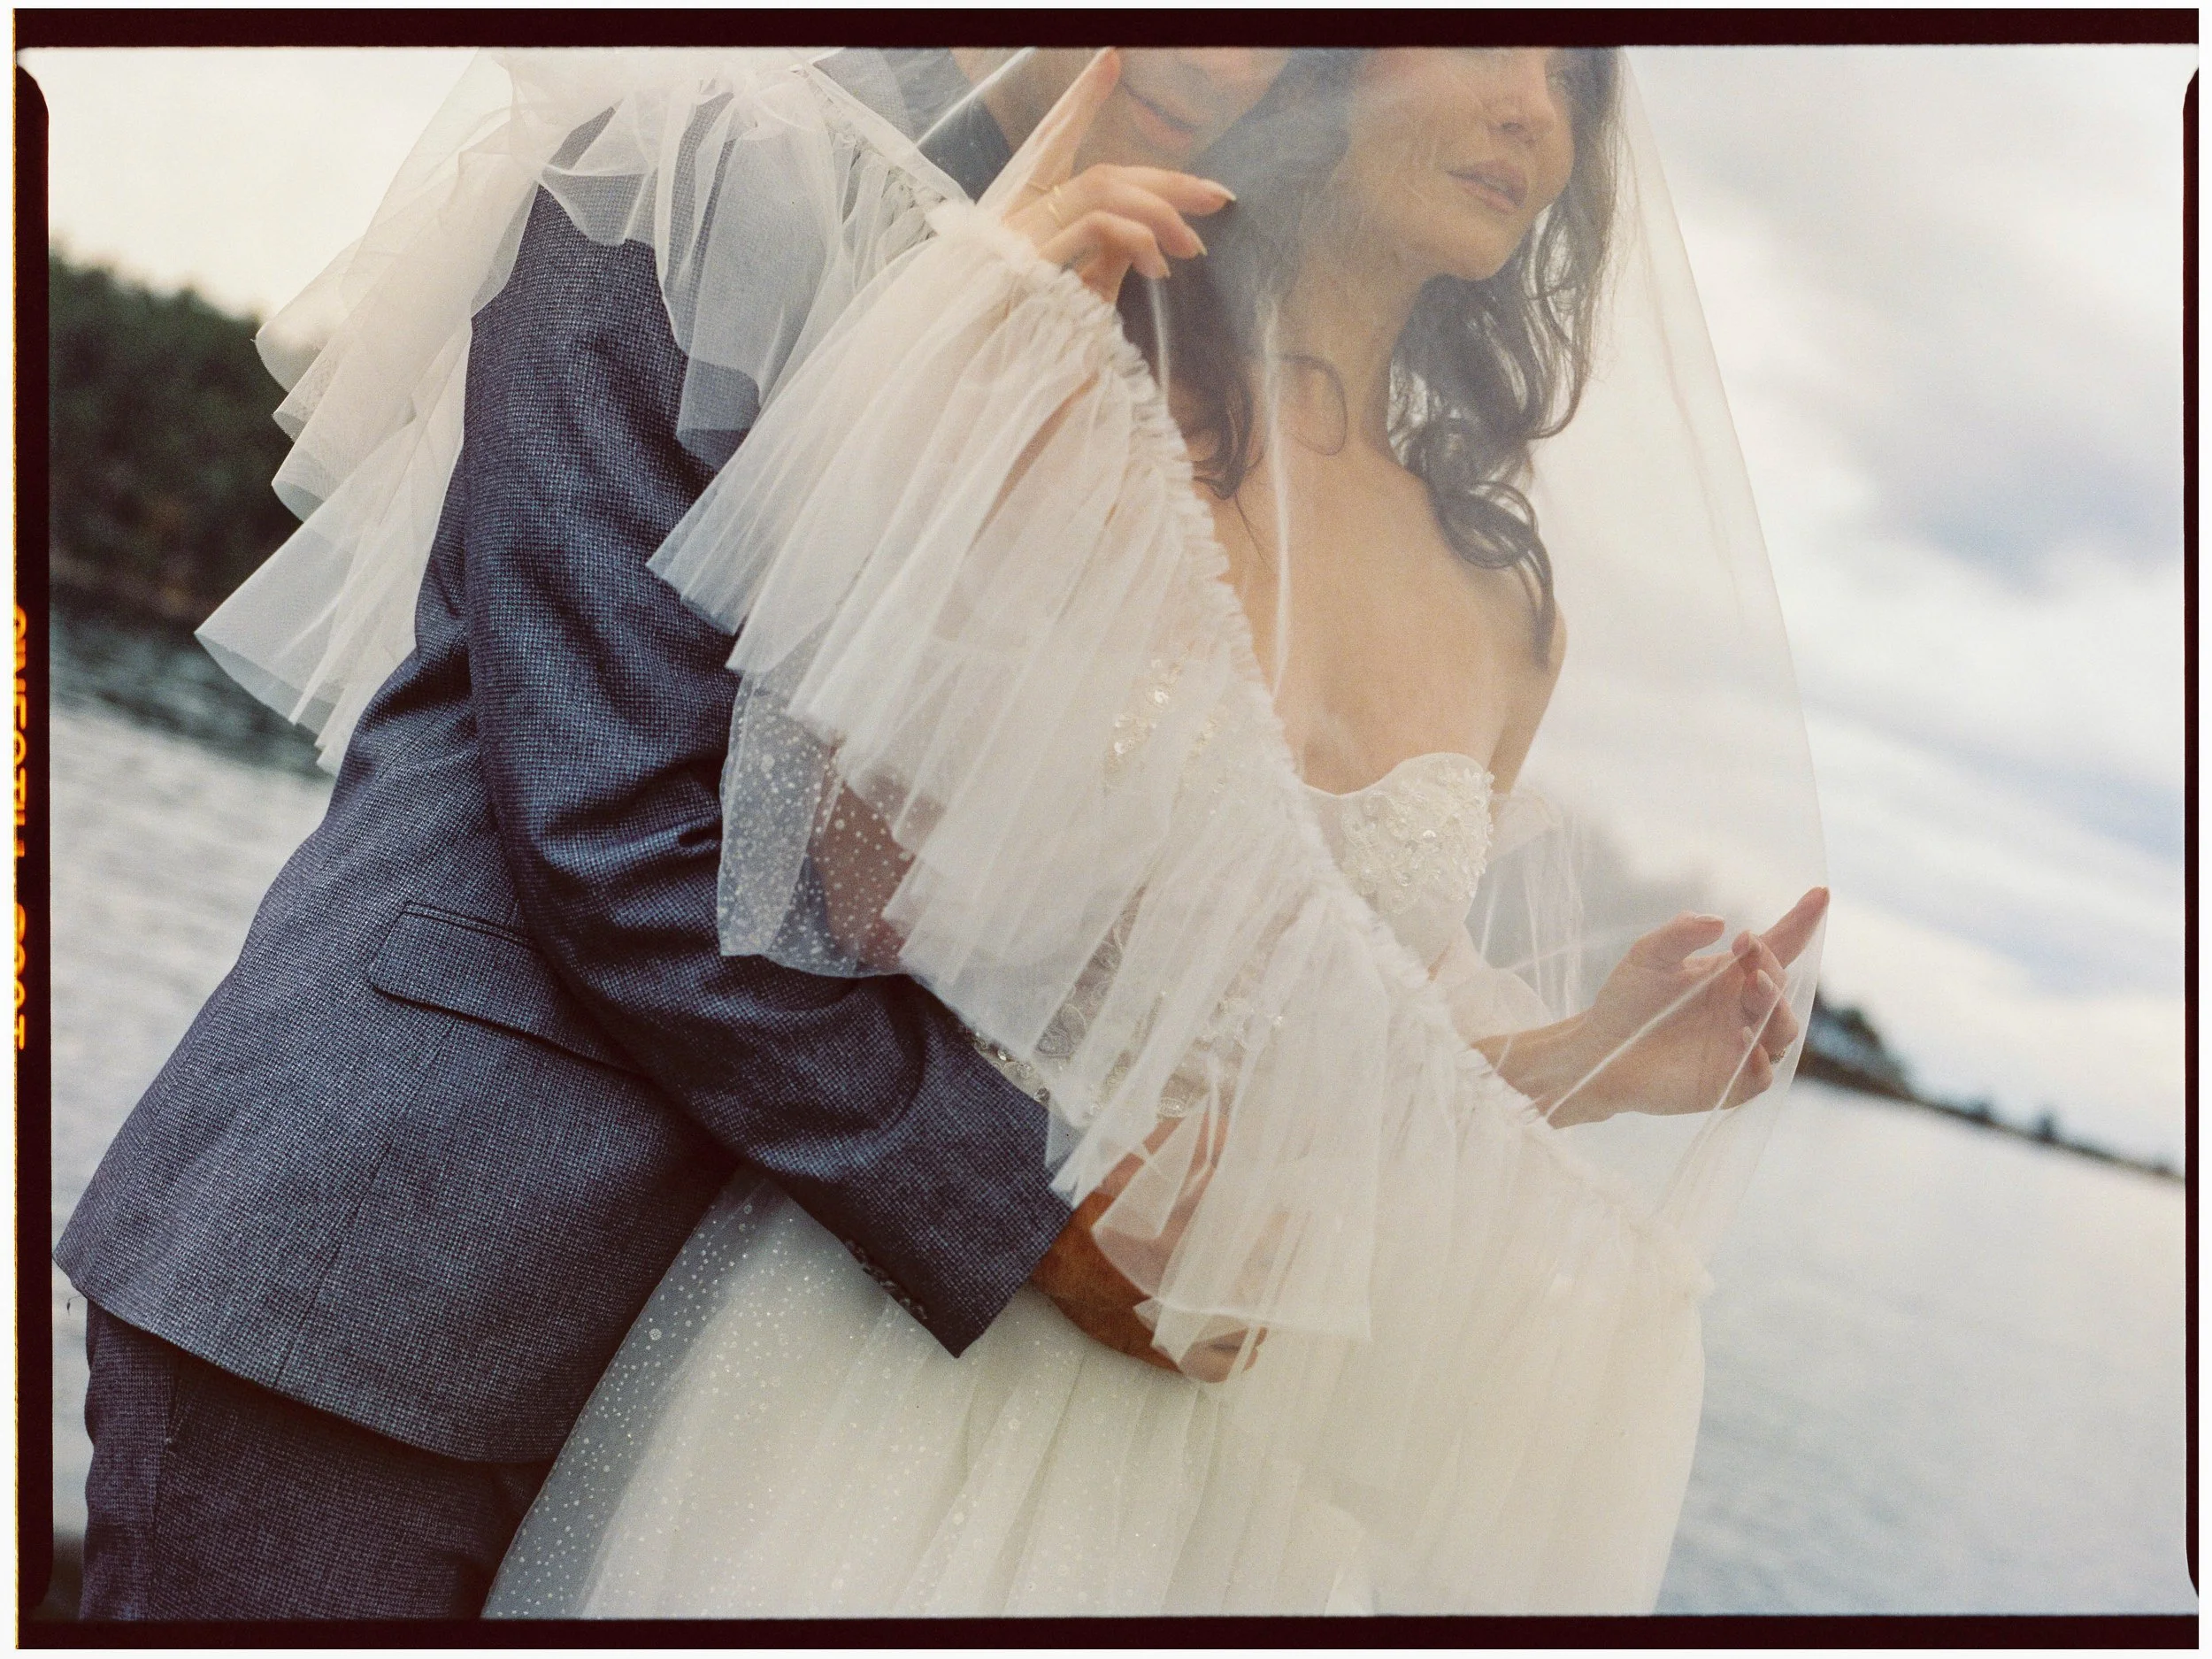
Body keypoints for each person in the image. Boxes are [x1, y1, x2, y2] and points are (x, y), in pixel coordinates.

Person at [480, 47, 1830, 1616]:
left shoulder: (1506, 608)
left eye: (1575, 75)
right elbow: (826, 861)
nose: (1537, 109)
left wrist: (1585, 1060)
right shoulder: (1071, 367)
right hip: (916, 1357)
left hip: (1225, 1476)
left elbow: (1325, 1059)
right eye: (1484, 34)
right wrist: (964, 390)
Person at [53, 47, 1290, 1620]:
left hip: (732, 1399)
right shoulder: (699, 156)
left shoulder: (1171, 336)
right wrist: (1027, 1212)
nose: (1217, 41)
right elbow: (617, 819)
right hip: (375, 1272)